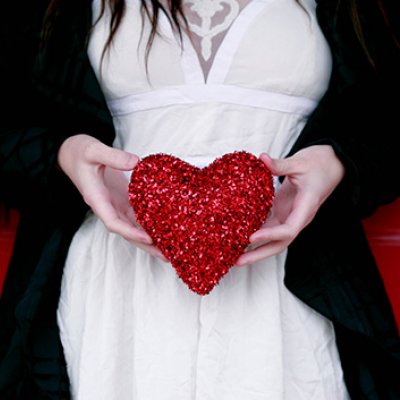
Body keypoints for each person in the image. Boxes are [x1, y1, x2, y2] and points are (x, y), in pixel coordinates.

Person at [0, 0, 399, 399]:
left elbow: (385, 124)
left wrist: (341, 163)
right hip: (112, 287)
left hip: (291, 283)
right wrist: (61, 155)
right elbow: (11, 127)